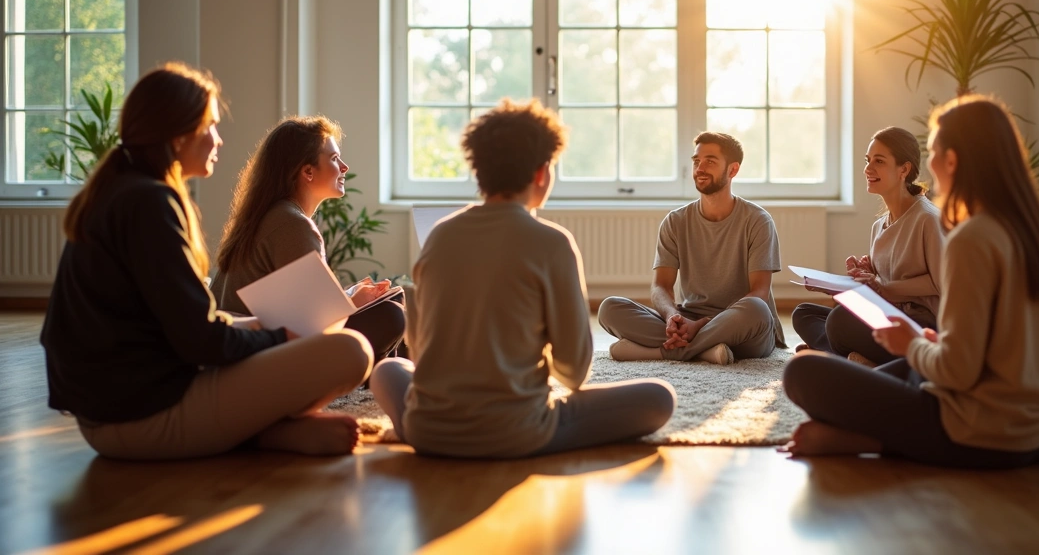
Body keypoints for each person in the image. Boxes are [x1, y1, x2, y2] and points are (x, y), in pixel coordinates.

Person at [40, 63, 373, 460]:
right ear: (180, 134)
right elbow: (200, 341)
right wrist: (280, 337)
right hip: (140, 418)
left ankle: (267, 432)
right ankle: (262, 433)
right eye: (210, 126)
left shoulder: (122, 191)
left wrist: (261, 326)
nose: (218, 139)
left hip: (111, 414)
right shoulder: (150, 203)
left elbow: (184, 324)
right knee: (352, 350)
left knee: (285, 333)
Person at [782, 95, 1039, 469]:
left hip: (988, 433)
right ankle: (873, 427)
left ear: (952, 160)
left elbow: (957, 372)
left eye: (934, 152)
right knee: (897, 368)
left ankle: (869, 439)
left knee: (802, 372)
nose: (930, 166)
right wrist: (925, 346)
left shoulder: (972, 237)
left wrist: (912, 344)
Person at [369, 99, 675, 458]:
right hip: (518, 433)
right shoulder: (552, 242)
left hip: (428, 431)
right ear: (542, 173)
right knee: (659, 398)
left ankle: (421, 425)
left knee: (389, 370)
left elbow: (424, 353)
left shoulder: (440, 234)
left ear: (479, 172)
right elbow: (574, 373)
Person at [212, 116, 406, 363]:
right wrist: (351, 301)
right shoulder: (292, 224)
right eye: (334, 159)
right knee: (391, 314)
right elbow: (316, 322)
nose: (344, 167)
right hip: (260, 352)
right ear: (307, 171)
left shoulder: (268, 216)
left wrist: (349, 296)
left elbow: (295, 308)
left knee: (389, 306)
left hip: (242, 345)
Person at [596, 132, 783, 365]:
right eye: (696, 161)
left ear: (733, 170)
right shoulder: (675, 221)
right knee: (610, 308)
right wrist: (672, 316)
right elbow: (660, 286)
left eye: (710, 161)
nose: (700, 168)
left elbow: (759, 293)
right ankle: (705, 351)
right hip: (688, 318)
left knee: (755, 308)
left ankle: (664, 352)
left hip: (742, 326)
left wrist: (702, 325)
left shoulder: (758, 221)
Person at [791, 127, 943, 364]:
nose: (868, 168)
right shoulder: (879, 226)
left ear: (904, 169)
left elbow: (940, 282)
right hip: (889, 312)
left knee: (839, 322)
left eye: (879, 161)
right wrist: (866, 275)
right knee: (804, 313)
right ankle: (854, 358)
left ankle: (839, 355)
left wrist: (884, 287)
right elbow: (883, 282)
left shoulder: (928, 219)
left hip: (920, 323)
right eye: (867, 160)